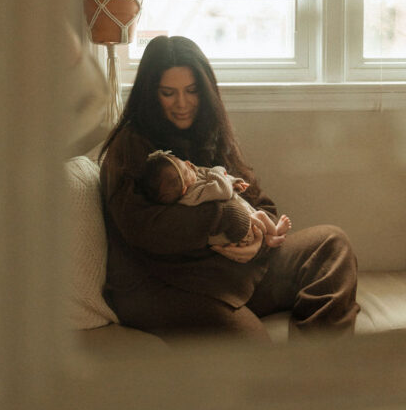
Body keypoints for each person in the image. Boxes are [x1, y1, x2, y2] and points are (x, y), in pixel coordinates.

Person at [99, 35, 359, 342]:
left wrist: (258, 236)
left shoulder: (208, 132)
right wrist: (227, 219)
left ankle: (314, 373)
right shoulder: (128, 148)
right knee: (253, 350)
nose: (182, 104)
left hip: (231, 273)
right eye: (168, 93)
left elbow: (260, 203)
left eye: (192, 91)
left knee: (330, 244)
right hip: (166, 287)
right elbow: (146, 229)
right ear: (150, 94)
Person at [139, 149, 292, 247]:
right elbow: (222, 190)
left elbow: (220, 182)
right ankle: (271, 235)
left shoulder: (189, 183)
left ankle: (268, 237)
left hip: (242, 228)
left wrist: (234, 181)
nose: (189, 164)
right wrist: (217, 171)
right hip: (234, 235)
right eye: (186, 169)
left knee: (260, 215)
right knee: (260, 216)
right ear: (184, 188)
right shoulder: (193, 194)